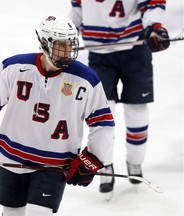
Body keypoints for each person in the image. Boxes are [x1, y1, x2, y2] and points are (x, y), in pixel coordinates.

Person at [0, 15, 115, 215]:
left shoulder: (86, 80)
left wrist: (93, 157)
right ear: (43, 43)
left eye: (70, 44)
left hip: (55, 163)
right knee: (11, 212)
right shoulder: (14, 67)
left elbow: (103, 122)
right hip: (12, 157)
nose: (67, 51)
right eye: (60, 45)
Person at [69, 0, 170, 194]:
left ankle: (135, 162)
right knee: (103, 113)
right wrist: (67, 32)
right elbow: (77, 10)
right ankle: (104, 163)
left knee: (136, 110)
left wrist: (154, 27)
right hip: (99, 54)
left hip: (135, 49)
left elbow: (152, 4)